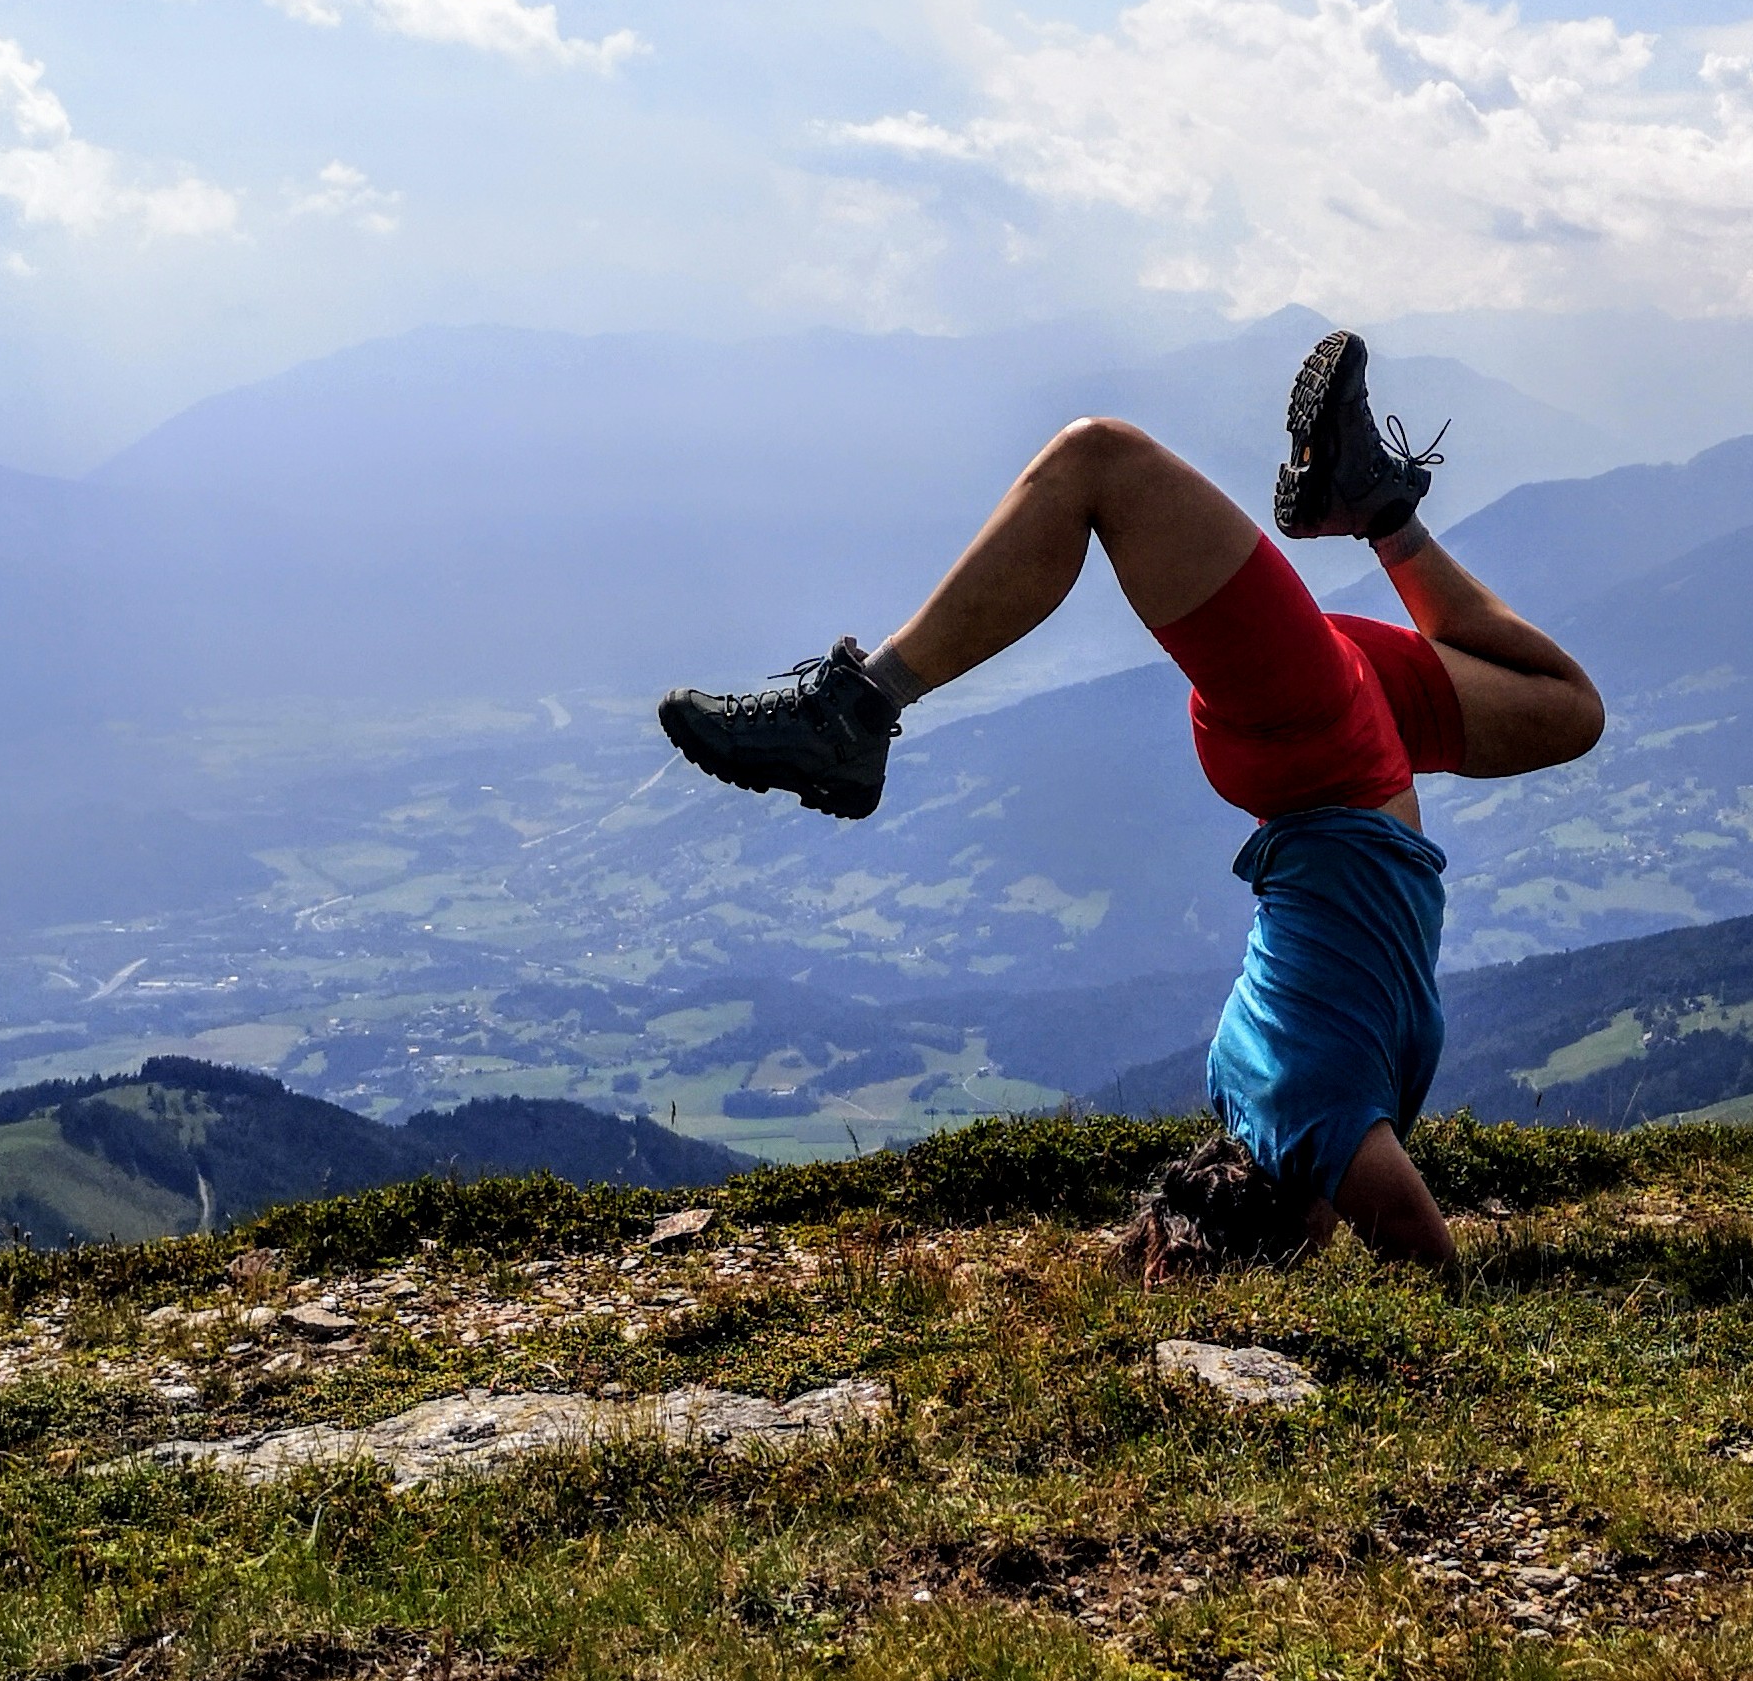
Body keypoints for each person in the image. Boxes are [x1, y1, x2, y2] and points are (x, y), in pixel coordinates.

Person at [657, 330, 1604, 1275]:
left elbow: (1420, 1255)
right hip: (1335, 754)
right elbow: (1344, 1217)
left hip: (1319, 746)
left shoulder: (1314, 1122)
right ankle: (1378, 511)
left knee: (1096, 459)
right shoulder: (1245, 1093)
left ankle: (857, 709)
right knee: (1567, 713)